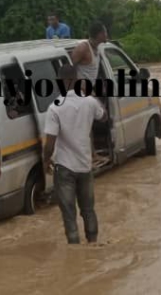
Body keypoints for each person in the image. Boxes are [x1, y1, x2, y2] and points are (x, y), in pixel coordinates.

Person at [43, 64, 108, 244]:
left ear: (60, 82)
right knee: (88, 209)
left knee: (68, 211)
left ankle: (74, 246)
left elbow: (50, 143)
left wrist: (45, 161)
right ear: (78, 79)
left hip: (64, 167)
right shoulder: (89, 101)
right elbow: (103, 116)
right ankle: (93, 242)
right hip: (85, 165)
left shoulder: (55, 107)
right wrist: (92, 95)